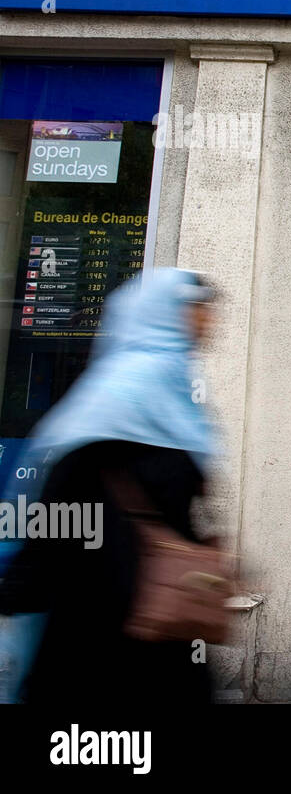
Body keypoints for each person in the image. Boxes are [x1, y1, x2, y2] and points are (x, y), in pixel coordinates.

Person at [0, 268, 218, 704]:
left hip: (153, 624)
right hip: (96, 631)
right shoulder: (123, 398)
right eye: (196, 307)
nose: (208, 320)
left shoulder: (168, 387)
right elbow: (56, 519)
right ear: (164, 313)